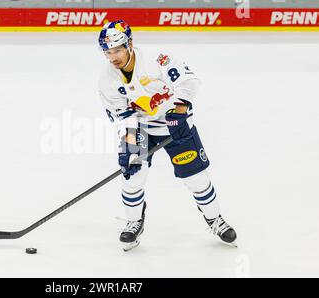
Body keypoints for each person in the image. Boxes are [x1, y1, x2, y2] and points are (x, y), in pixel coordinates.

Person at [98, 20, 237, 251]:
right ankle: (134, 221)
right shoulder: (107, 80)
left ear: (130, 43)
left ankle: (214, 219)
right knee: (132, 176)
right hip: (140, 127)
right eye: (107, 52)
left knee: (196, 178)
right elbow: (123, 116)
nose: (113, 57)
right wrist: (129, 146)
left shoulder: (157, 59)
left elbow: (189, 81)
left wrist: (180, 111)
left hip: (177, 125)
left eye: (117, 50)